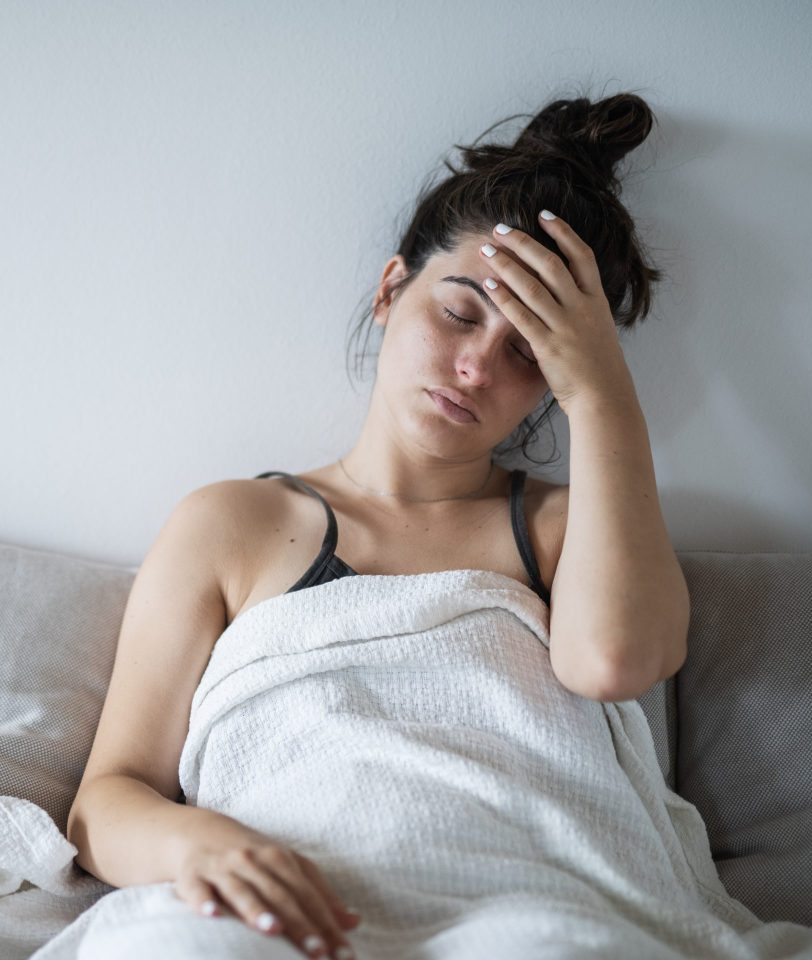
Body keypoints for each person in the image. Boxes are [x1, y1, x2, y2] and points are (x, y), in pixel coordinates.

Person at [64, 91, 689, 960]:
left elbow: (616, 663)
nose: (476, 366)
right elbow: (105, 801)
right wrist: (198, 844)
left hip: (516, 899)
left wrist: (603, 395)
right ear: (393, 289)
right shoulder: (235, 523)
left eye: (529, 353)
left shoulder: (560, 528)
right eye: (461, 312)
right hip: (275, 906)